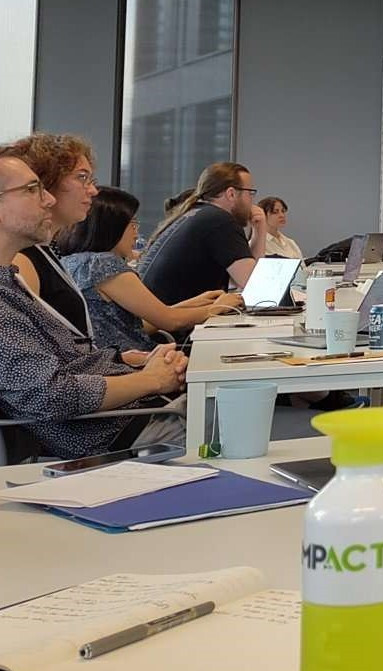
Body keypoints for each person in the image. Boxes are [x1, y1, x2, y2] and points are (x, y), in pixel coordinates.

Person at [0, 152, 188, 459]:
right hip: (107, 436)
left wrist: (129, 363)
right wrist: (150, 379)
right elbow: (50, 395)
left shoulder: (10, 280)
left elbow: (66, 359)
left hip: (124, 418)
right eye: (32, 189)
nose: (48, 199)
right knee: (233, 433)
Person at [57, 187, 241, 354]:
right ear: (113, 226)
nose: (136, 233)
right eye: (132, 224)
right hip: (137, 363)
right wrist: (218, 307)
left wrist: (194, 303)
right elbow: (170, 321)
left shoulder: (75, 262)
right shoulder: (104, 265)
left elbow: (136, 324)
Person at [0, 132, 103, 339]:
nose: (93, 190)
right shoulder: (21, 260)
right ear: (48, 179)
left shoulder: (47, 249)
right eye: (81, 177)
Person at [136, 161, 267, 306]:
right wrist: (262, 230)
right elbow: (253, 285)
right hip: (170, 324)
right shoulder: (220, 221)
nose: (252, 201)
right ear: (231, 194)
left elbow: (241, 278)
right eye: (250, 193)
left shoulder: (193, 214)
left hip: (154, 318)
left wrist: (258, 230)